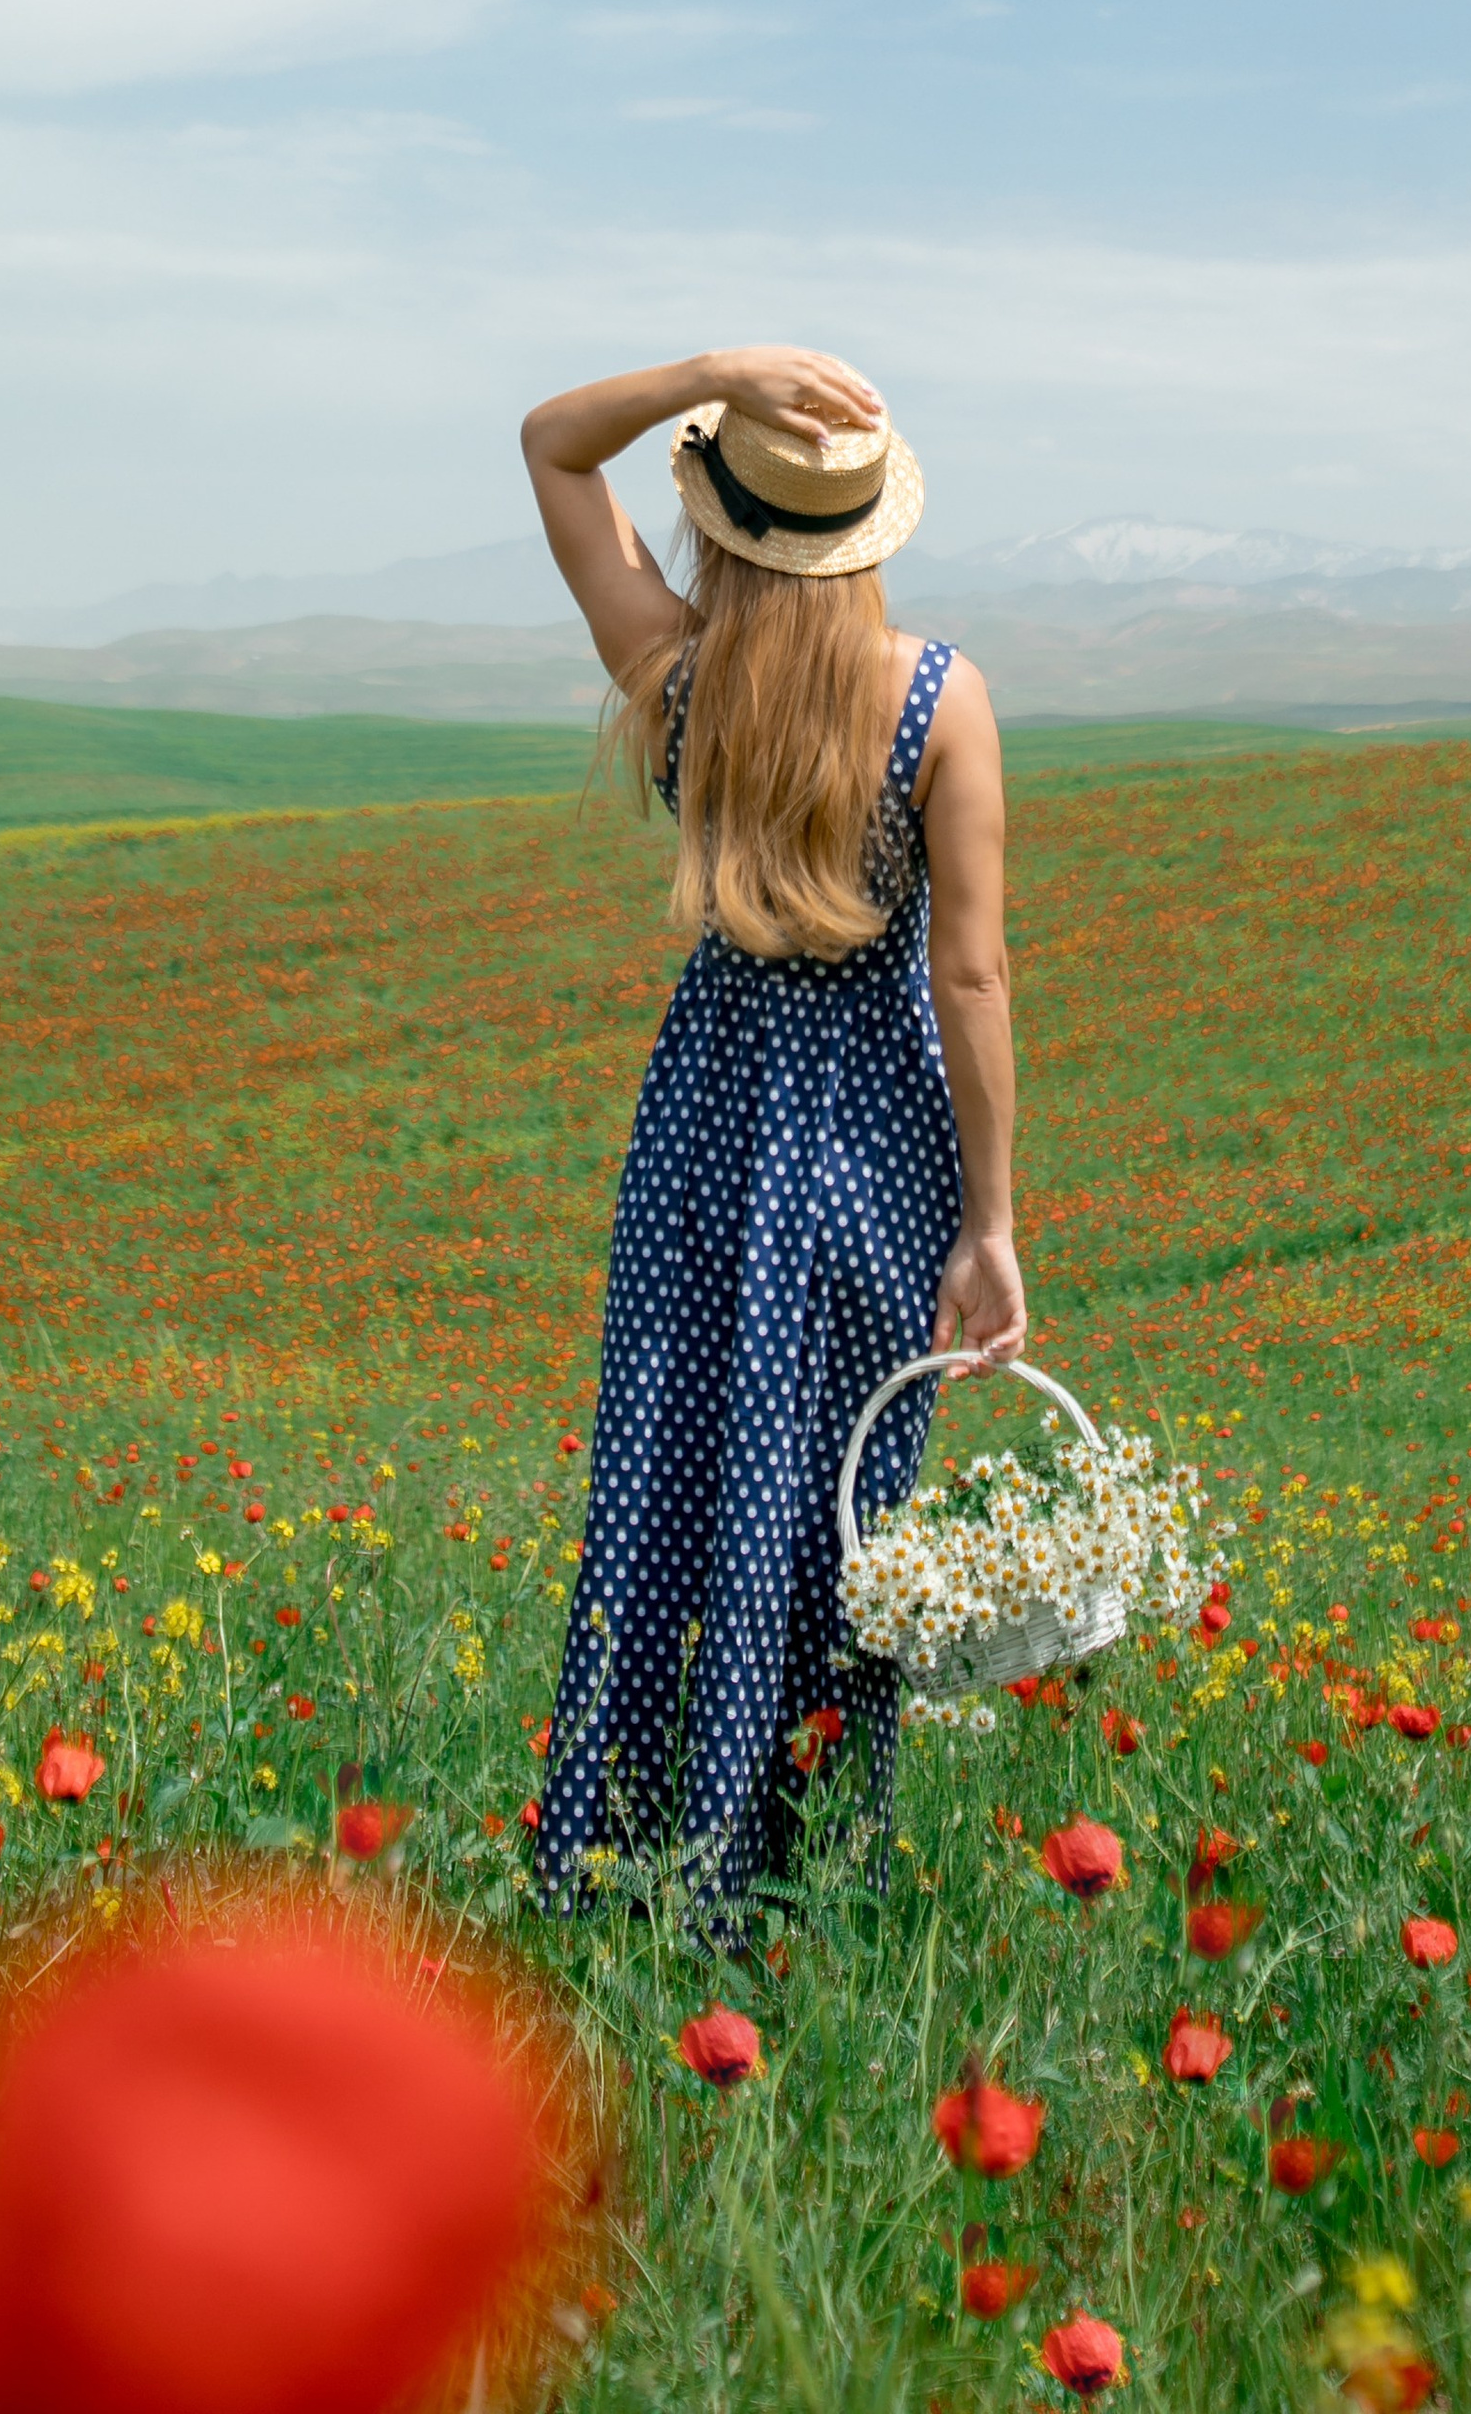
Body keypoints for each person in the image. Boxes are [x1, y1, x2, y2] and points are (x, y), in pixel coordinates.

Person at [523, 344, 1025, 1926]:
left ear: (722, 524)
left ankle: (629, 1858)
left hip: (709, 1118)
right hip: (881, 1140)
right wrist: (991, 1223)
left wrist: (709, 369)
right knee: (836, 1502)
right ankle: (797, 1874)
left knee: (668, 1477)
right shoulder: (939, 700)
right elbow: (971, 976)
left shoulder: (675, 676)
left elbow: (551, 445)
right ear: (868, 534)